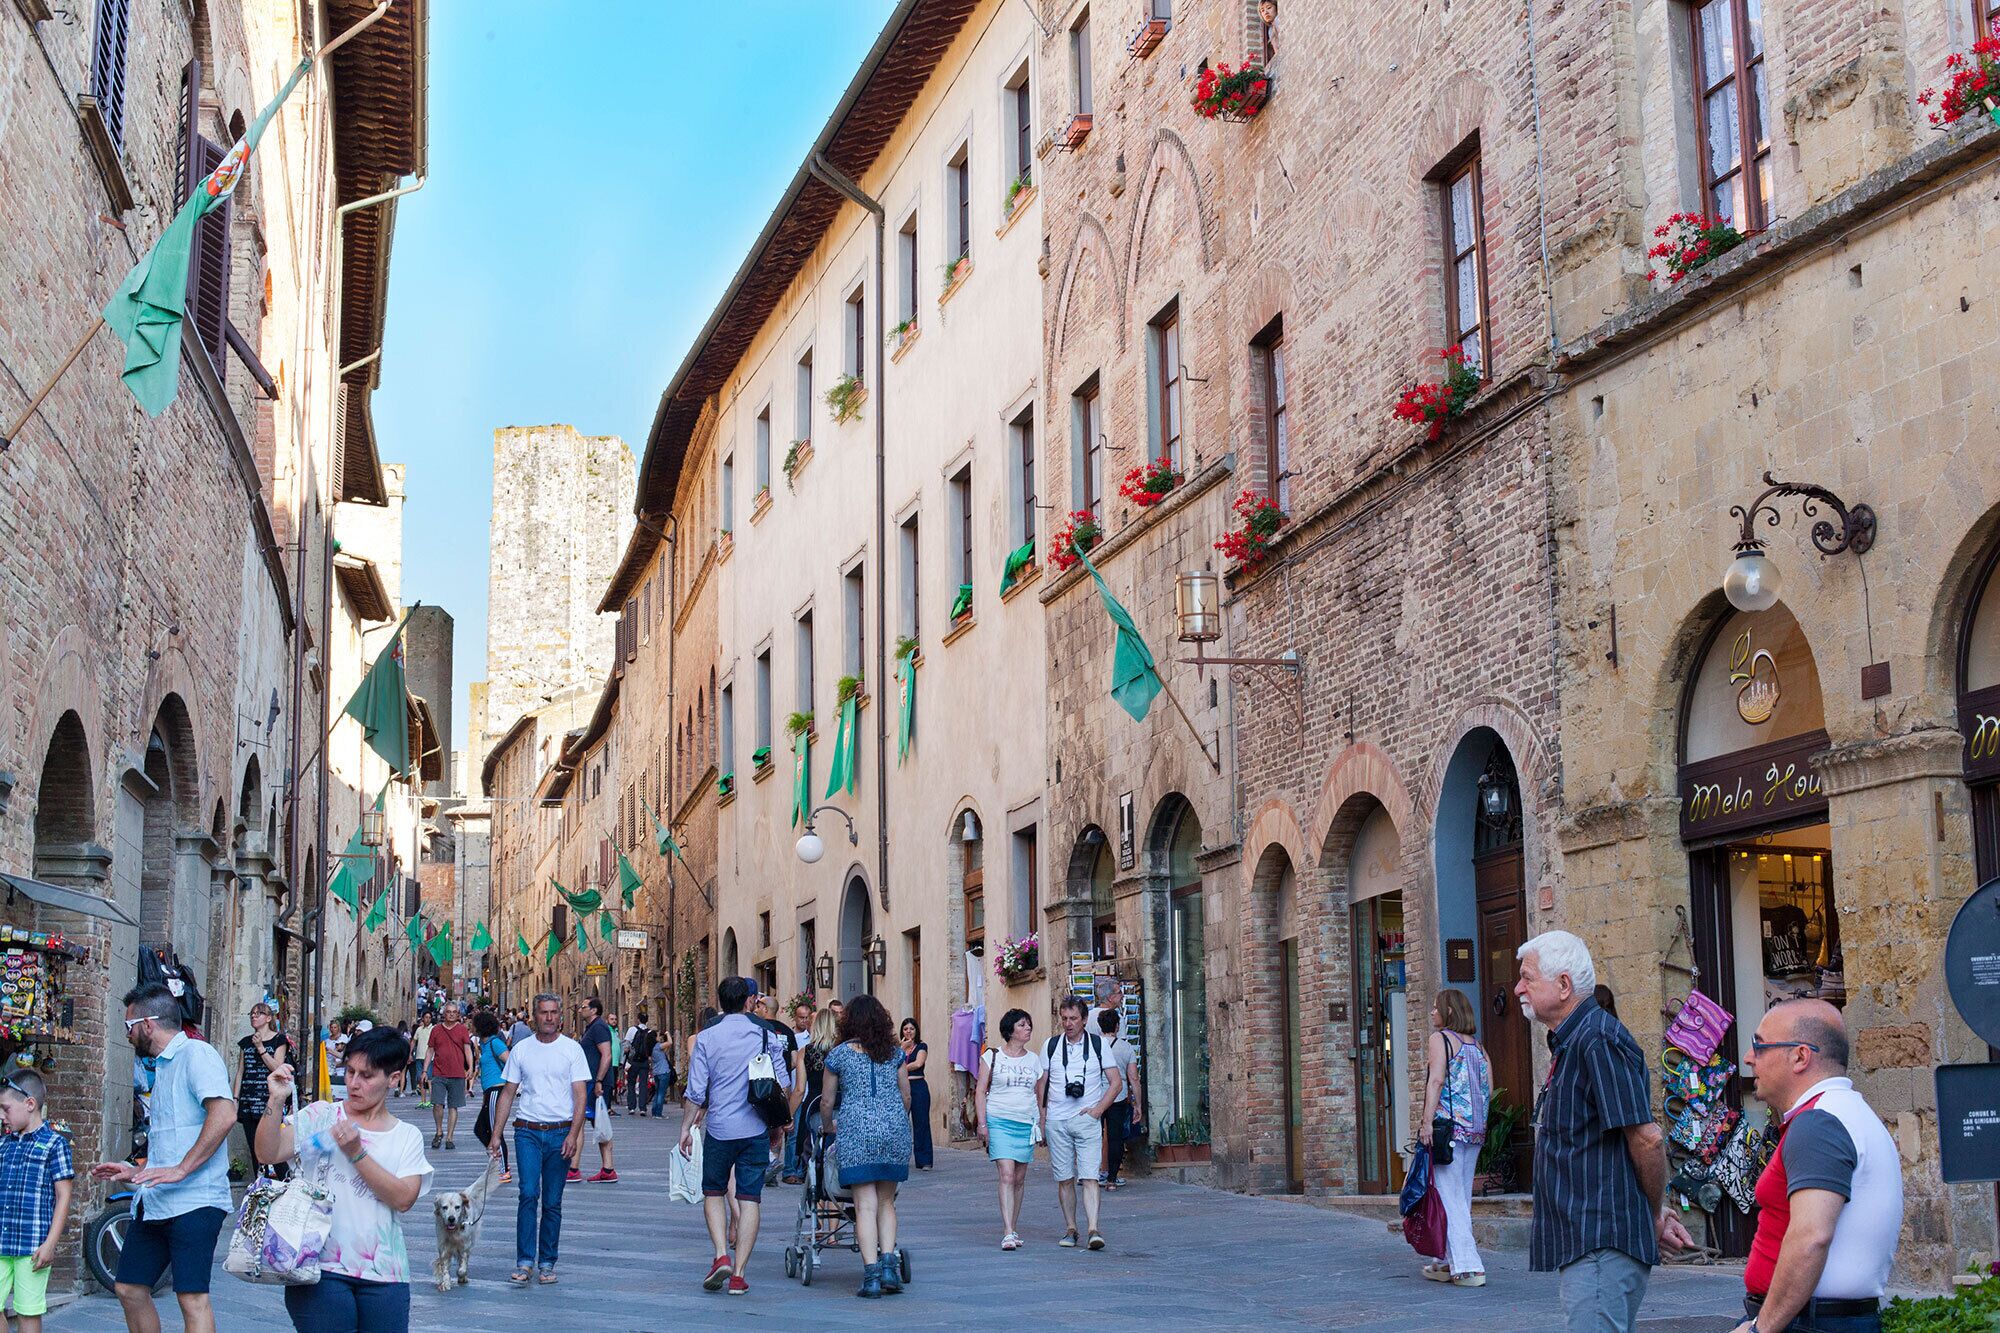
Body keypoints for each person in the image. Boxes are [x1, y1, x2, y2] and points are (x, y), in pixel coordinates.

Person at [1516, 930, 1692, 1333]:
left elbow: (1646, 1138)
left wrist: (1650, 1214)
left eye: (1528, 977)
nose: (1518, 988)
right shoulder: (1576, 1039)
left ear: (1563, 985)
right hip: (1590, 1240)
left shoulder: (1597, 1038)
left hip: (1601, 1242)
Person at [1733, 999, 1902, 1333]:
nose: (1749, 1058)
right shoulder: (1848, 1113)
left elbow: (1812, 1236)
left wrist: (1760, 1329)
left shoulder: (1820, 1122)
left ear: (1800, 1056)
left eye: (1759, 1046)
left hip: (1810, 1322)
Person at [258, 1026, 433, 1332]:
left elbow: (404, 1198)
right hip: (318, 1265)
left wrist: (356, 1153)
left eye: (367, 1076)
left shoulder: (406, 1136)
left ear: (393, 1078)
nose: (353, 1083)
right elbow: (267, 1152)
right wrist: (275, 1099)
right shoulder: (320, 1116)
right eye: (350, 1071)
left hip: (385, 1273)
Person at [93, 982, 235, 1333]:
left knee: (192, 1297)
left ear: (148, 1025)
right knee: (128, 1287)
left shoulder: (196, 1055)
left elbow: (225, 1115)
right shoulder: (163, 1067)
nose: (127, 1035)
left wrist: (182, 1168)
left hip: (197, 1202)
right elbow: (172, 1143)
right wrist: (135, 1170)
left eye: (128, 1027)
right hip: (156, 1203)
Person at [679, 977, 791, 1296]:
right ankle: (739, 1274)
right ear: (748, 1001)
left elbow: (697, 1092)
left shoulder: (706, 1037)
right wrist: (780, 1124)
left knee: (713, 1191)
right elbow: (781, 1082)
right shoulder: (765, 1033)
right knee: (749, 1198)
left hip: (719, 1129)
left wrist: (686, 1128)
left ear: (721, 1000)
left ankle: (720, 1255)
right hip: (755, 1128)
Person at [488, 993, 590, 1286]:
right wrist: (496, 1135)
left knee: (553, 1201)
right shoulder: (522, 1050)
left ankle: (547, 1262)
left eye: (554, 1012)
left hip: (560, 1132)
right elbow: (508, 1093)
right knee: (528, 1193)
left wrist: (574, 1134)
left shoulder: (572, 1050)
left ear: (561, 1016)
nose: (549, 1017)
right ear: (535, 1015)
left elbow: (580, 1095)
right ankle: (524, 1261)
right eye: (544, 1012)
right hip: (528, 1131)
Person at [824, 995, 911, 1299]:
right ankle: (890, 1268)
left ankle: (872, 1276)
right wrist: (896, 1121)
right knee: (887, 1203)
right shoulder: (895, 1054)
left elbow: (827, 1101)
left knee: (865, 1207)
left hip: (856, 1132)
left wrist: (827, 1126)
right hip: (893, 1131)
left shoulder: (838, 1056)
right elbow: (907, 1097)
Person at [1418, 988, 1492, 1287]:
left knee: (1448, 1197)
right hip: (1474, 1130)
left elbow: (1436, 1080)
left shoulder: (1440, 1040)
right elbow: (1488, 1086)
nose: (1432, 1012)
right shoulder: (1478, 1047)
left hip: (1447, 1128)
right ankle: (1445, 1261)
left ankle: (1469, 1266)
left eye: (1436, 1007)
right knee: (1459, 1196)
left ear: (1449, 1012)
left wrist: (1426, 1123)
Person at [1041, 994, 1120, 1251]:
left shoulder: (1098, 1045)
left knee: (1090, 1177)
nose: (1068, 1023)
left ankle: (1093, 1229)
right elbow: (1040, 1086)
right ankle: (1071, 1228)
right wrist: (1042, 1120)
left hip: (1087, 1120)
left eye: (1073, 1018)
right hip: (1057, 1120)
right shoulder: (1051, 1046)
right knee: (1064, 1178)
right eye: (1064, 1018)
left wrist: (1098, 1111)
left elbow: (1116, 1083)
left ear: (1085, 1020)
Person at [0, 1071, 74, 1333]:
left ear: (29, 1104)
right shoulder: (3, 1145)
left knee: (27, 1312)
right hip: (1, 1239)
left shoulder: (54, 1144)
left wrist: (51, 1243)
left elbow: (63, 1196)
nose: (2, 1115)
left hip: (32, 1245)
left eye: (6, 1108)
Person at [975, 1008, 1045, 1251]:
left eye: (1028, 1025)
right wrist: (982, 1123)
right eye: (1022, 1025)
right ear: (1010, 1030)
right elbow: (980, 1091)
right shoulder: (992, 1057)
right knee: (1006, 1174)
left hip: (1025, 1122)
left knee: (1019, 1178)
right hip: (999, 1119)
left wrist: (1041, 1125)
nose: (1028, 1029)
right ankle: (1006, 1231)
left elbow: (1039, 1095)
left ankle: (1013, 1227)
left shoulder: (1034, 1060)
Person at [233, 1002, 289, 1178]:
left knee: (274, 1149)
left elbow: (277, 1068)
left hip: (269, 1102)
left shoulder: (279, 1040)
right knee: (254, 1150)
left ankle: (285, 1186)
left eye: (259, 1013)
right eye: (252, 1013)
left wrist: (261, 1048)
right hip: (249, 1102)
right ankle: (260, 1189)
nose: (254, 1016)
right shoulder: (245, 1042)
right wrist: (235, 1100)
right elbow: (241, 1072)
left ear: (269, 1018)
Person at [1095, 1008, 1139, 1189]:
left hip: (1096, 1096)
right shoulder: (1126, 1047)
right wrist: (1138, 1103)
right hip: (1118, 1096)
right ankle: (1112, 1179)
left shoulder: (1094, 1045)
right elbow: (1134, 1078)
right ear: (1117, 1026)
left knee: (1093, 1137)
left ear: (1099, 1027)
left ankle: (1093, 1175)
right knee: (1115, 1137)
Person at [575, 999, 618, 1183]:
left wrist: (599, 1080)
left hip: (596, 1083)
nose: (580, 1009)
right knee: (588, 1122)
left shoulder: (599, 1027)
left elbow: (606, 1055)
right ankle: (604, 1169)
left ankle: (576, 1168)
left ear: (593, 1010)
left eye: (583, 1007)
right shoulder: (593, 1027)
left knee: (591, 1123)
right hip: (591, 1081)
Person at [472, 1009, 513, 1183]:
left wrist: (508, 1087)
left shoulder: (495, 1043)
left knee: (496, 1130)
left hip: (497, 1090)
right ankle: (498, 1160)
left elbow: (510, 1061)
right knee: (481, 1129)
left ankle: (502, 1169)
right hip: (489, 1092)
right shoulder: (485, 1044)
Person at [428, 1002, 474, 1151]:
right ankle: (439, 1130)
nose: (452, 1014)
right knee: (437, 1104)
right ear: (444, 1014)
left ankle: (449, 1137)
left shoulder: (462, 1030)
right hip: (439, 1072)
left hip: (457, 1073)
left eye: (454, 1012)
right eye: (449, 1012)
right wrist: (424, 1070)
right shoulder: (436, 1030)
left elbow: (467, 1049)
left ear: (458, 1014)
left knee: (453, 1106)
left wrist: (470, 1067)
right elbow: (430, 1050)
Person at [780, 1002, 814, 1182]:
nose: (804, 1021)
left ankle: (802, 1169)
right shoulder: (790, 1037)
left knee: (807, 1134)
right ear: (795, 1017)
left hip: (810, 1092)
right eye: (801, 1017)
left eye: (807, 1017)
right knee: (792, 1133)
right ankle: (789, 1170)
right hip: (796, 1091)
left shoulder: (812, 1038)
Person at [900, 1018, 932, 1170]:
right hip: (901, 1087)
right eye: (905, 1029)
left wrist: (900, 1068)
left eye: (911, 1028)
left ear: (916, 1030)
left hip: (918, 1086)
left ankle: (924, 1160)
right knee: (899, 1123)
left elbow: (918, 1063)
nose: (908, 1031)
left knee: (921, 1123)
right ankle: (899, 1158)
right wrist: (901, 1048)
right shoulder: (898, 1048)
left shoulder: (922, 1046)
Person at [625, 1015, 655, 1114]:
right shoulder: (650, 1032)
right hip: (645, 1062)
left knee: (631, 1084)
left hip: (633, 1061)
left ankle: (631, 1107)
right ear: (647, 1021)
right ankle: (642, 1108)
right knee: (643, 1084)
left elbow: (627, 1045)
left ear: (638, 1019)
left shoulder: (632, 1030)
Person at [411, 1012, 434, 1109]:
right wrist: (410, 1053)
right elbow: (413, 1041)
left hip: (429, 1058)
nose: (427, 1019)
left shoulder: (433, 1029)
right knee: (421, 1079)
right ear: (422, 1019)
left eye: (429, 1017)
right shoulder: (419, 1030)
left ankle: (431, 1100)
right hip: (419, 1057)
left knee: (429, 1079)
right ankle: (423, 1100)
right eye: (426, 1017)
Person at [650, 1029, 673, 1116]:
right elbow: (670, 1042)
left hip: (656, 1072)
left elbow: (665, 1053)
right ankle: (658, 1113)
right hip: (663, 1072)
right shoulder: (658, 1046)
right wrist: (668, 1034)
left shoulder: (652, 1048)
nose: (660, 1037)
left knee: (657, 1092)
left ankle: (654, 1112)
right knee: (661, 1093)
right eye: (658, 1035)